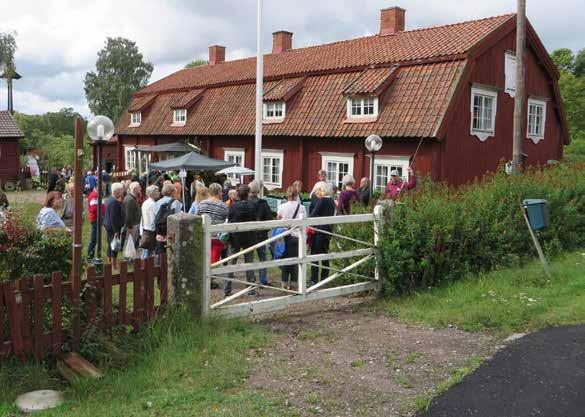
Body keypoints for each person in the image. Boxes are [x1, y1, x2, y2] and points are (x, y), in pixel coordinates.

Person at [224, 185, 257, 297]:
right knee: (249, 263)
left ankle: (227, 290)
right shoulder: (252, 206)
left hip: (235, 238)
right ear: (247, 194)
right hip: (249, 238)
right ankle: (251, 289)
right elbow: (255, 221)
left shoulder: (233, 206)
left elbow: (230, 219)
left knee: (231, 263)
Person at [277, 186, 306, 289]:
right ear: (296, 195)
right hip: (297, 236)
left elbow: (279, 221)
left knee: (285, 260)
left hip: (285, 235)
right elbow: (304, 222)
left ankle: (284, 283)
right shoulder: (301, 207)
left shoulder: (282, 207)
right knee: (295, 261)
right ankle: (294, 283)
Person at [309, 182, 336, 286]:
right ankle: (324, 277)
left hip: (319, 231)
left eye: (317, 191)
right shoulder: (331, 200)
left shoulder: (322, 200)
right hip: (327, 230)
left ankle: (314, 279)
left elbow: (313, 214)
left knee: (314, 255)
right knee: (324, 254)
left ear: (321, 190)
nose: (316, 193)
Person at [249, 180, 274, 286]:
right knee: (262, 257)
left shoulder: (246, 202)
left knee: (249, 258)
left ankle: (250, 280)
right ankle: (263, 280)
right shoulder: (263, 203)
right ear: (258, 191)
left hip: (249, 234)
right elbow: (269, 218)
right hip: (261, 234)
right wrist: (265, 230)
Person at [198, 183, 229, 264]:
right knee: (213, 263)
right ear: (219, 192)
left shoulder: (202, 203)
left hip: (203, 235)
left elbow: (197, 217)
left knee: (204, 261)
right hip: (216, 238)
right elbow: (227, 221)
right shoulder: (224, 206)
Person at [152, 183, 181, 256]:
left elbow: (155, 217)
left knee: (161, 254)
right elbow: (177, 218)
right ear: (172, 192)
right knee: (172, 253)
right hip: (171, 232)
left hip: (160, 231)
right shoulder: (176, 202)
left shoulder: (157, 202)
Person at [103, 183, 126, 268]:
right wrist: (116, 231)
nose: (122, 192)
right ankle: (113, 265)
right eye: (120, 190)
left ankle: (109, 261)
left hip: (109, 225)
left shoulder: (111, 199)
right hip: (113, 227)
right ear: (116, 191)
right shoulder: (114, 202)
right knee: (114, 245)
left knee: (110, 243)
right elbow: (113, 218)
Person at [139, 185, 160, 260]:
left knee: (147, 250)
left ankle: (143, 264)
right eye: (157, 191)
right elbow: (153, 218)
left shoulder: (146, 202)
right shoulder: (152, 204)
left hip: (145, 228)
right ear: (152, 193)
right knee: (148, 250)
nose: (159, 193)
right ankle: (143, 265)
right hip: (150, 230)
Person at [87, 183, 106, 261]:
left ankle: (93, 256)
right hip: (96, 219)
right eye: (103, 187)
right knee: (93, 239)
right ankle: (90, 257)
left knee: (95, 238)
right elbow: (94, 209)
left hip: (97, 218)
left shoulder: (97, 194)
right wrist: (102, 215)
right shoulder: (94, 195)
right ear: (98, 186)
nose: (104, 188)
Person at [124, 182, 142, 248]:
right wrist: (130, 227)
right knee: (130, 243)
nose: (141, 188)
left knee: (132, 243)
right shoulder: (130, 199)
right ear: (134, 189)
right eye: (139, 187)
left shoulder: (132, 198)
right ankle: (128, 257)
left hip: (134, 224)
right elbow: (128, 215)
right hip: (133, 225)